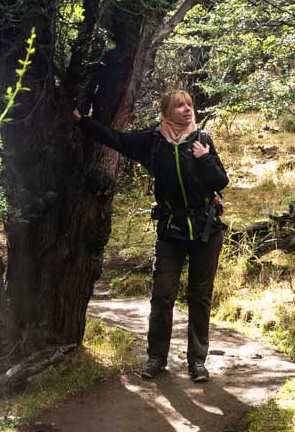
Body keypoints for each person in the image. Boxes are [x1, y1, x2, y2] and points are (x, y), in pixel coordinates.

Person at [76, 90, 228, 382]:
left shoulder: (202, 139)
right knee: (162, 296)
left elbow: (221, 181)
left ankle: (197, 362)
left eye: (189, 105)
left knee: (199, 298)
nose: (186, 109)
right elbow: (116, 140)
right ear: (167, 111)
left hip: (205, 230)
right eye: (179, 105)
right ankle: (156, 358)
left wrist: (205, 158)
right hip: (171, 229)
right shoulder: (153, 142)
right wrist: (82, 121)